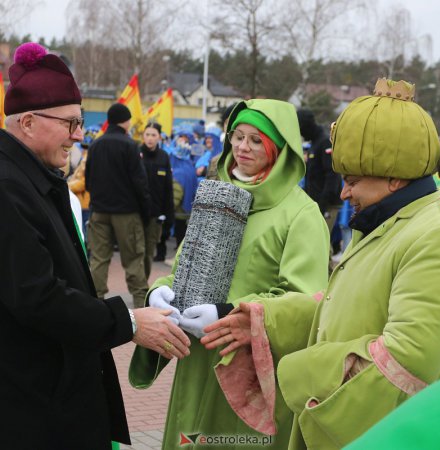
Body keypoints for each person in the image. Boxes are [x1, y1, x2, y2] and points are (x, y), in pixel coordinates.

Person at [201, 79, 440, 450]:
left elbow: (407, 359)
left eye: (351, 181)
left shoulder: (436, 235)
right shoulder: (388, 219)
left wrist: (301, 376)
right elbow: (337, 304)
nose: (345, 194)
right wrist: (262, 317)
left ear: (395, 178)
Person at [0, 42, 191, 450]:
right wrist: (130, 322)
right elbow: (39, 296)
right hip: (34, 407)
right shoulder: (7, 187)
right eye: (70, 123)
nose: (79, 134)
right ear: (29, 123)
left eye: (80, 121)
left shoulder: (33, 177)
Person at [129, 99, 330, 449]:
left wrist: (229, 314)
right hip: (196, 360)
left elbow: (306, 300)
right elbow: (184, 267)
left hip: (250, 371)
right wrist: (160, 292)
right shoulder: (217, 194)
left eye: (255, 140)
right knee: (187, 438)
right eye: (237, 136)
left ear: (279, 147)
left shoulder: (301, 214)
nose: (242, 147)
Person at [86, 103, 152, 308]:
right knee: (133, 260)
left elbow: (88, 179)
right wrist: (146, 211)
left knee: (98, 258)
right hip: (126, 212)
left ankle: (95, 304)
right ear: (126, 121)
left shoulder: (95, 144)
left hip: (99, 211)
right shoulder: (129, 145)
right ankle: (141, 305)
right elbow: (139, 182)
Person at [297, 108, 342, 231]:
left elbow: (332, 174)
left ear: (306, 126)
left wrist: (322, 205)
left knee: (323, 244)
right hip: (315, 204)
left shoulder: (324, 142)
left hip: (327, 205)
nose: (301, 133)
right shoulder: (314, 143)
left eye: (301, 129)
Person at [140, 121, 174, 278]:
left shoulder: (164, 157)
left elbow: (168, 188)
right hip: (136, 213)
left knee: (148, 252)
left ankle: (142, 283)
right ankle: (137, 286)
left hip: (155, 215)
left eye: (153, 135)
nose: (150, 138)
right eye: (147, 134)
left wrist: (168, 215)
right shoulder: (135, 154)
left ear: (159, 137)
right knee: (135, 252)